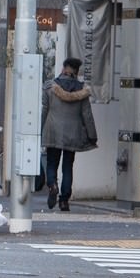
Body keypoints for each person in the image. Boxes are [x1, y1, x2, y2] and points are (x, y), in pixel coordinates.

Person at [42, 56, 96, 212]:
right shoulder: (82, 90)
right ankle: (64, 201)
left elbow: (44, 109)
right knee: (67, 166)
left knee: (52, 163)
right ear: (77, 72)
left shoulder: (50, 87)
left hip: (52, 131)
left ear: (63, 68)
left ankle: (52, 185)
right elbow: (87, 115)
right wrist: (92, 135)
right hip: (73, 134)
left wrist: (39, 131)